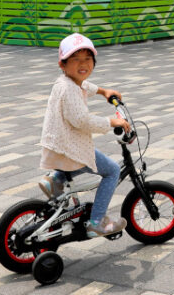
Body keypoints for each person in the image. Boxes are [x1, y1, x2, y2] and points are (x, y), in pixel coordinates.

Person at [38, 33, 131, 236]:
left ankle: (56, 180)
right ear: (62, 64)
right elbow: (82, 121)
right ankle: (96, 221)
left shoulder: (67, 82)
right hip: (69, 146)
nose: (83, 64)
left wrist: (103, 91)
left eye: (88, 59)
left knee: (88, 160)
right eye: (76, 59)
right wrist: (111, 122)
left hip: (59, 144)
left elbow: (84, 86)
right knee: (112, 171)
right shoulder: (70, 89)